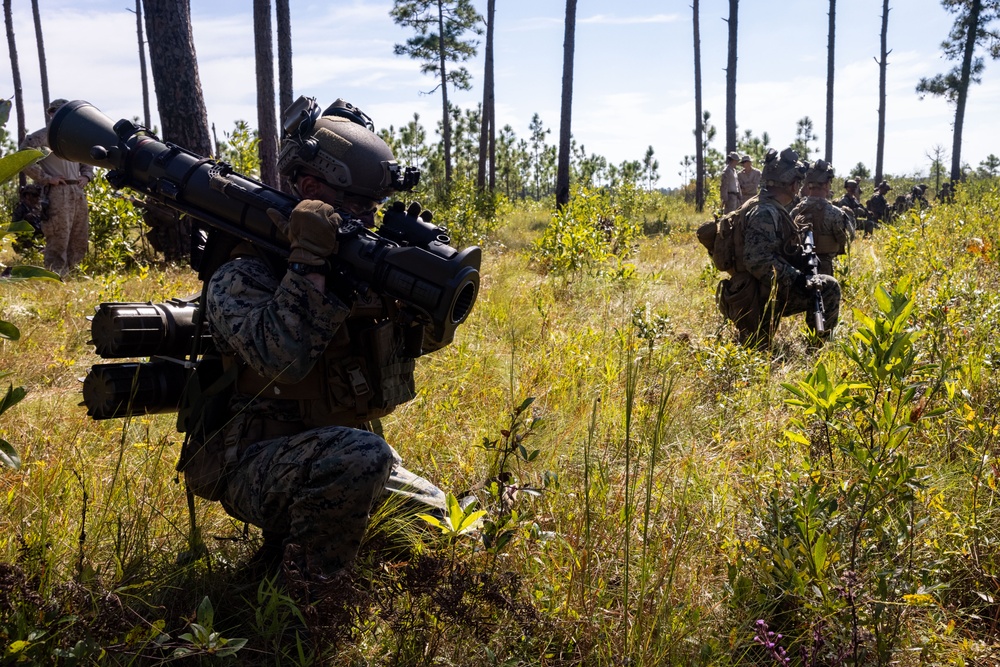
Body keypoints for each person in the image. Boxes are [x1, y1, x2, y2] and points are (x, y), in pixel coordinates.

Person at [192, 97, 451, 593]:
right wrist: (308, 258)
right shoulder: (243, 270)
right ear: (312, 190)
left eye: (374, 209)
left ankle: (316, 539)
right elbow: (282, 360)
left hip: (338, 450)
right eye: (358, 207)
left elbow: (411, 347)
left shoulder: (352, 265)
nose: (368, 222)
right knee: (360, 456)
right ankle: (305, 599)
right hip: (248, 460)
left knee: (436, 526)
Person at [716, 147, 841, 349]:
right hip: (755, 298)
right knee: (828, 287)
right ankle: (817, 348)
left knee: (819, 280)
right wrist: (798, 278)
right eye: (798, 183)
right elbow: (757, 260)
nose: (799, 188)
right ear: (792, 185)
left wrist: (800, 258)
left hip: (755, 290)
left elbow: (772, 251)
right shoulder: (765, 212)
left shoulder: (768, 207)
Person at [18, 98, 94, 276]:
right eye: (54, 112)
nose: (56, 115)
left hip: (77, 191)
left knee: (79, 236)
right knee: (59, 236)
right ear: (51, 114)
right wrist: (46, 178)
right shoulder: (44, 135)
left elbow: (88, 158)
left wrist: (86, 176)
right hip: (57, 192)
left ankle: (74, 275)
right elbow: (23, 157)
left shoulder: (76, 137)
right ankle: (56, 276)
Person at [790, 160, 854, 276]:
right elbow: (848, 238)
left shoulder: (796, 212)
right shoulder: (835, 213)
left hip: (798, 269)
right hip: (824, 269)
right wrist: (850, 216)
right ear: (826, 185)